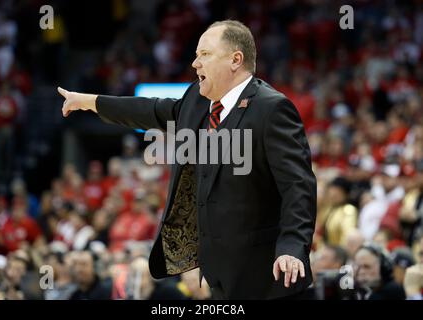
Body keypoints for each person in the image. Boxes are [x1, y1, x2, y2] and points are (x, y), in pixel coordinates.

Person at [58, 20, 317, 299]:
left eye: (204, 54)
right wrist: (90, 101)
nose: (195, 63)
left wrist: (292, 245)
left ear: (235, 60)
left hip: (269, 279)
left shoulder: (272, 108)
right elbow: (152, 111)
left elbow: (298, 184)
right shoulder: (197, 99)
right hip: (219, 278)